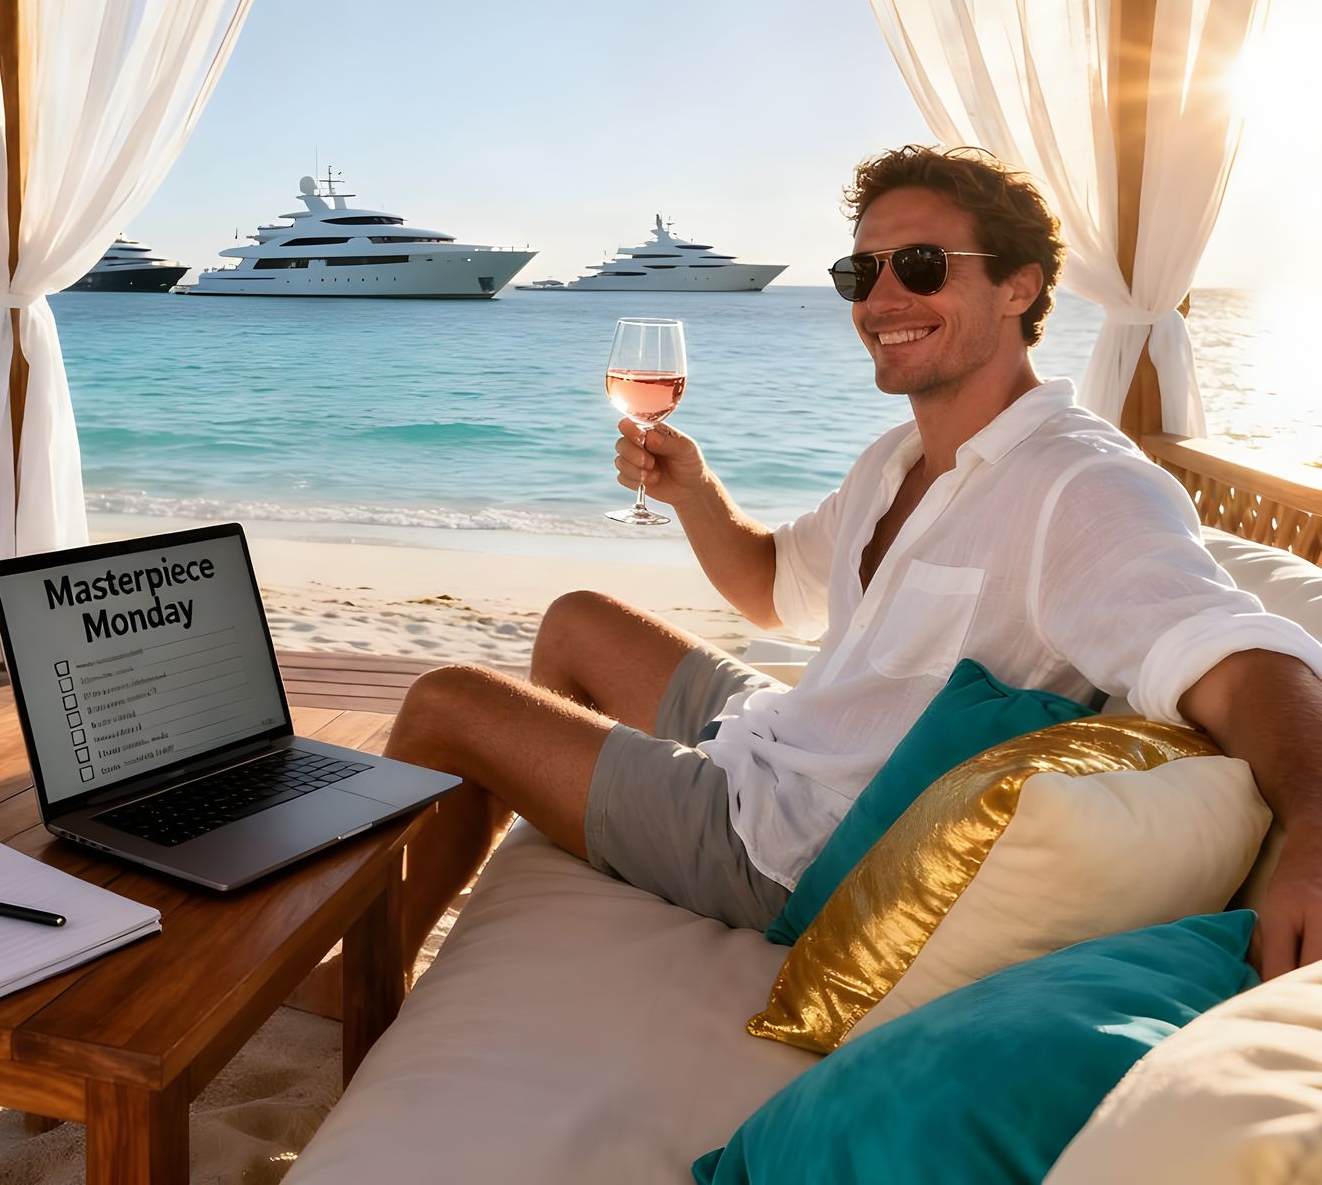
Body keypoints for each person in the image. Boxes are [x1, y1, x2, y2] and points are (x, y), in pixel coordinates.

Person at [383, 145, 1322, 985]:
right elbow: (772, 587)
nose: (880, 300)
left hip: (793, 852)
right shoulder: (898, 459)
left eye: (919, 267)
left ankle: (370, 974)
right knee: (576, 618)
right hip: (784, 742)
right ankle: (564, 833)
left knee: (448, 701)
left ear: (1019, 288)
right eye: (858, 271)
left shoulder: (1081, 487)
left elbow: (1247, 665)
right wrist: (696, 494)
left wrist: (1315, 846)